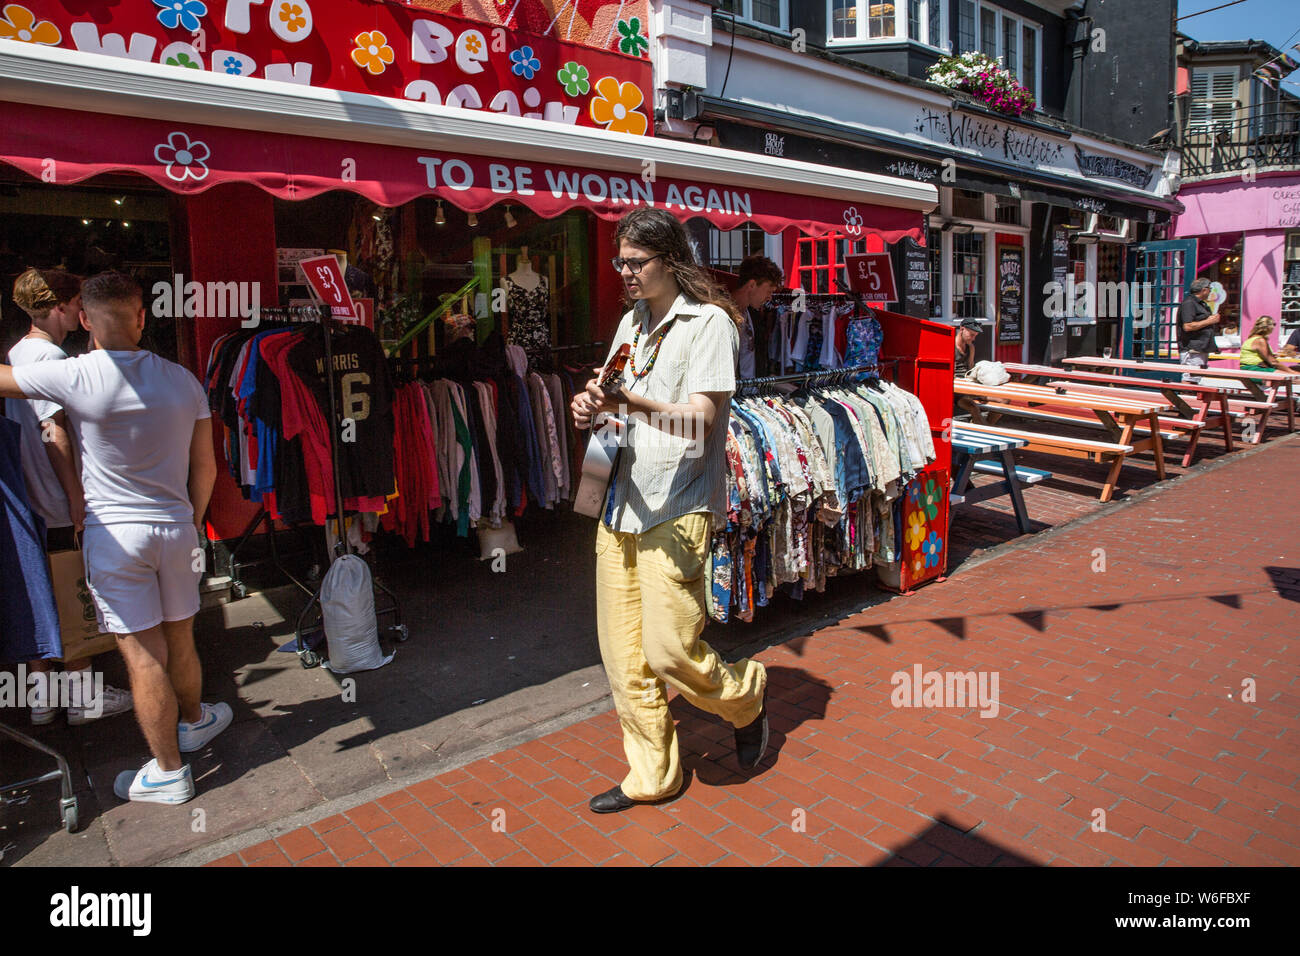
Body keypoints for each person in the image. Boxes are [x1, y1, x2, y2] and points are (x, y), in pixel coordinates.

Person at [0, 272, 228, 805]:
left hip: (114, 535)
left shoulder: (75, 375)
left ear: (84, 320)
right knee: (180, 638)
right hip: (176, 528)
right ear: (143, 317)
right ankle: (194, 722)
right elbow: (207, 470)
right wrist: (191, 522)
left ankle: (169, 772)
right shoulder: (183, 380)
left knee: (142, 655)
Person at [570, 208, 769, 814]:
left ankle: (745, 698)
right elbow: (614, 405)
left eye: (636, 263)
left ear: (670, 260)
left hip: (676, 506)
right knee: (624, 658)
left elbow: (702, 420)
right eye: (619, 262)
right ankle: (652, 775)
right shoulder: (631, 322)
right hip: (620, 502)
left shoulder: (709, 323)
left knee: (669, 651)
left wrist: (631, 400)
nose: (625, 273)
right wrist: (593, 407)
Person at [5, 268, 132, 726]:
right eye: (77, 301)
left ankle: (41, 696)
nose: (82, 309)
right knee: (71, 589)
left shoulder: (17, 351)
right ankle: (82, 695)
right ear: (60, 307)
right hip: (55, 493)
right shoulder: (50, 359)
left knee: (41, 585)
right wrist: (76, 494)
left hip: (28, 491)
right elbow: (53, 429)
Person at [730, 254, 783, 379]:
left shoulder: (753, 314)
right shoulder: (722, 315)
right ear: (752, 285)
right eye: (769, 291)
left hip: (750, 394)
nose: (770, 297)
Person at [1177, 277, 1218, 382]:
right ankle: (1185, 397)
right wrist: (1209, 321)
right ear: (1204, 289)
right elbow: (1187, 326)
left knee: (1196, 378)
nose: (1210, 292)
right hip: (1192, 348)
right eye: (1209, 289)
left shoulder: (1201, 304)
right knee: (1190, 379)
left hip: (1200, 348)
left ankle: (1188, 397)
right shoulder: (1189, 303)